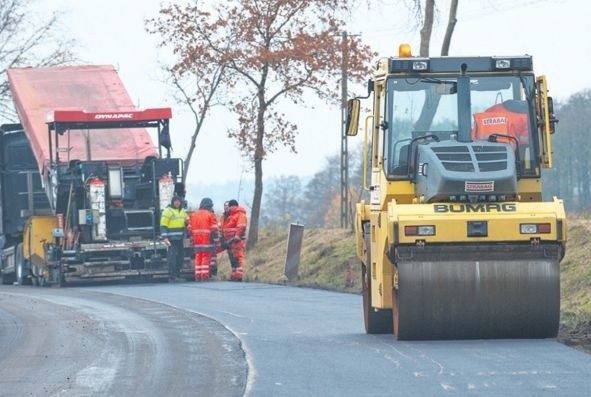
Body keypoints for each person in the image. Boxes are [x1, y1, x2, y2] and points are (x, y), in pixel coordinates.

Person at [188, 197, 220, 281]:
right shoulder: (210, 214)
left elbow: (190, 228)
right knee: (205, 257)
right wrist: (217, 241)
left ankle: (198, 275)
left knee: (198, 256)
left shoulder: (194, 214)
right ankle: (204, 275)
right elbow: (214, 229)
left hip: (196, 240)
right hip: (207, 239)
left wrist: (193, 237)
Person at [160, 194, 188, 282]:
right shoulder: (167, 211)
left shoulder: (182, 211)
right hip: (171, 239)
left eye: (178, 201)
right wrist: (165, 237)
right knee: (172, 258)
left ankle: (177, 275)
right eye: (175, 201)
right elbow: (163, 225)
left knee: (180, 257)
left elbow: (187, 222)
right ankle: (172, 277)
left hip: (180, 239)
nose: (177, 203)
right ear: (172, 202)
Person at [221, 199, 248, 281]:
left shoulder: (240, 215)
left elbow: (241, 226)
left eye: (229, 206)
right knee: (232, 258)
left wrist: (237, 236)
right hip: (229, 241)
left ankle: (239, 276)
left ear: (233, 206)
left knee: (238, 257)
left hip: (236, 240)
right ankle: (234, 275)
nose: (228, 208)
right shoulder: (230, 216)